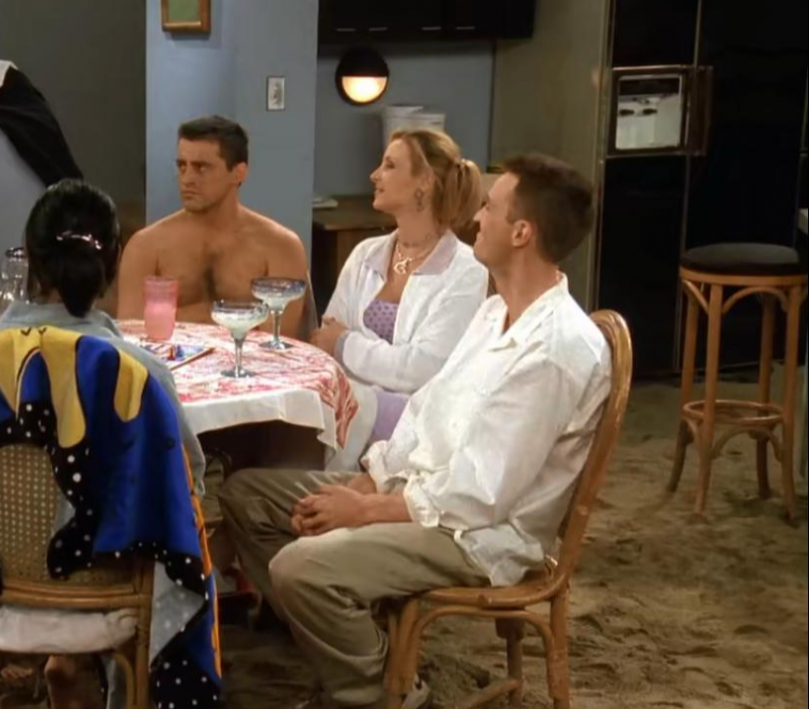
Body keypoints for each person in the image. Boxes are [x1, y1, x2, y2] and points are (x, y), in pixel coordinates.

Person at [219, 154, 611, 709]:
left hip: (477, 536)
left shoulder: (555, 349)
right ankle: (344, 643)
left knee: (298, 567)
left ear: (522, 232)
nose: (477, 216)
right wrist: (372, 479)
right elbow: (428, 408)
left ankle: (386, 694)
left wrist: (366, 511)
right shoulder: (495, 311)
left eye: (490, 208)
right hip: (423, 494)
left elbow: (480, 495)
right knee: (248, 498)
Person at [0, 179, 207, 709]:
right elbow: (185, 482)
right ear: (111, 265)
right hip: (110, 585)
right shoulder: (140, 372)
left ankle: (61, 663)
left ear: (30, 260)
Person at [310, 129, 489, 462]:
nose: (375, 175)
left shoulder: (466, 271)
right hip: (348, 405)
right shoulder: (365, 254)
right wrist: (362, 354)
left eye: (389, 165)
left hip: (419, 426)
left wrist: (347, 343)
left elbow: (423, 369)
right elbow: (326, 340)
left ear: (425, 182)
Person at [117, 116, 309, 337]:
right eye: (182, 166)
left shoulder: (280, 246)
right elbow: (130, 333)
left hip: (249, 359)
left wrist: (176, 319)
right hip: (169, 359)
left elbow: (278, 338)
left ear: (238, 173)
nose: (187, 179)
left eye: (201, 168)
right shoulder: (146, 246)